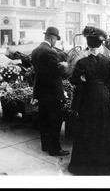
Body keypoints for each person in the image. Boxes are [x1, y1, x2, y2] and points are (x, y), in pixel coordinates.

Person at [67, 26, 110, 175]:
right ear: (101, 44)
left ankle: (83, 166)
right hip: (103, 98)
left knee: (86, 129)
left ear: (88, 44)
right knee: (103, 129)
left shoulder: (82, 62)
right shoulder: (109, 61)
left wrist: (83, 79)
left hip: (88, 98)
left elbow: (74, 81)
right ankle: (104, 166)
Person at [31, 26, 69, 157]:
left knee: (44, 120)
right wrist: (63, 66)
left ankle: (45, 145)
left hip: (41, 91)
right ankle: (54, 149)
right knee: (55, 121)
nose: (55, 43)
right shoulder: (51, 52)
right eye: (55, 40)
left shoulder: (36, 50)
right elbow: (56, 72)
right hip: (52, 92)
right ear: (52, 39)